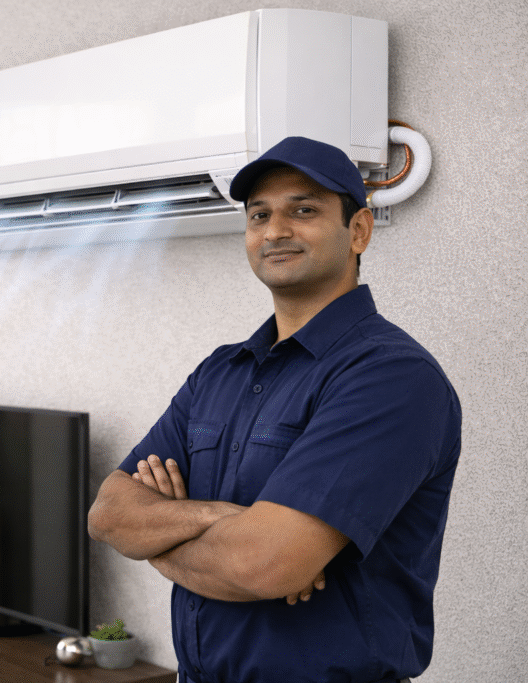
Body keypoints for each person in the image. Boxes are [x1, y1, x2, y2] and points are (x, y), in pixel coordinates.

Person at [88, 136, 461, 683]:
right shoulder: (220, 372)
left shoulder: (390, 378)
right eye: (259, 214)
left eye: (303, 210)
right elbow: (109, 514)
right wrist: (220, 519)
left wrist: (157, 540)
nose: (276, 230)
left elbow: (265, 564)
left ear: (358, 230)